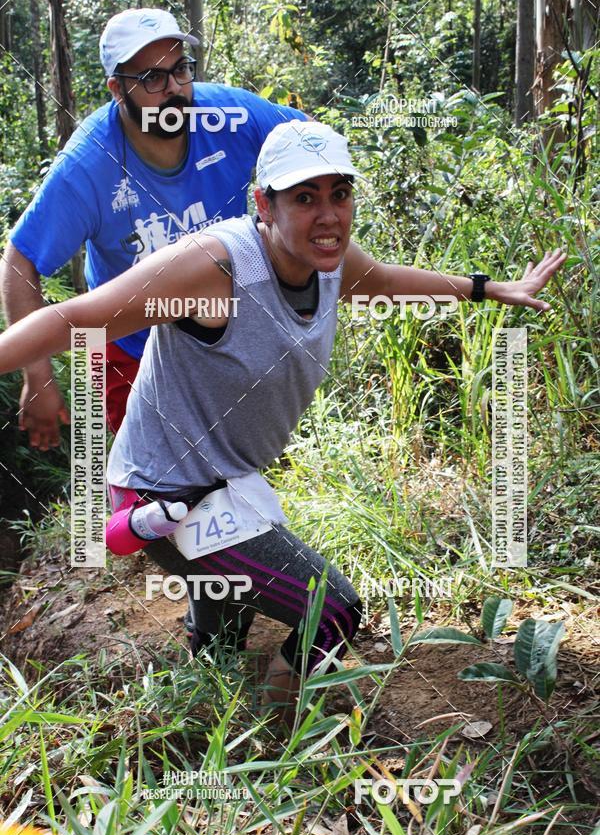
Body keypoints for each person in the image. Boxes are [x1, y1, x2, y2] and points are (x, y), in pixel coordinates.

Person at [0, 120, 567, 725]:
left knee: (226, 623)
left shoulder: (330, 260)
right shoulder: (214, 269)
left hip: (228, 487)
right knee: (335, 609)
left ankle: (209, 704)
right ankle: (277, 729)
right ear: (263, 205)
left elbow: (391, 282)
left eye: (338, 194)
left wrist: (491, 288)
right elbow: (75, 318)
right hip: (162, 495)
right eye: (304, 198)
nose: (328, 215)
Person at [0, 7, 306, 447]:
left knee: (239, 472)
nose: (174, 90)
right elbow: (20, 260)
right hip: (130, 349)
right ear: (117, 89)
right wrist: (38, 374)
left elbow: (309, 142)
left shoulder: (229, 115)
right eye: (152, 79)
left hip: (227, 337)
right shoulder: (87, 167)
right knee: (158, 491)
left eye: (180, 70)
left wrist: (284, 235)